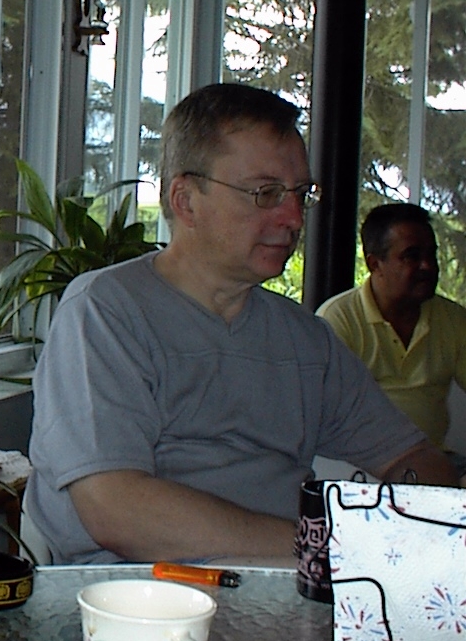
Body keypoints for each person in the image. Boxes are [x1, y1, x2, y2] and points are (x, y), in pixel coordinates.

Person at [25, 83, 459, 565]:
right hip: (139, 606)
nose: (293, 218)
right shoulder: (106, 312)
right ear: (186, 200)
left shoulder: (305, 341)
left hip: (287, 596)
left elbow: (409, 458)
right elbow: (116, 511)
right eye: (266, 193)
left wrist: (429, 534)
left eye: (300, 194)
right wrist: (328, 553)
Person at [317, 203, 466, 478]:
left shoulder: (452, 319)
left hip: (434, 462)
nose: (428, 266)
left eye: (431, 255)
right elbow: (324, 415)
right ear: (375, 263)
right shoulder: (339, 319)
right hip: (358, 469)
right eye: (412, 256)